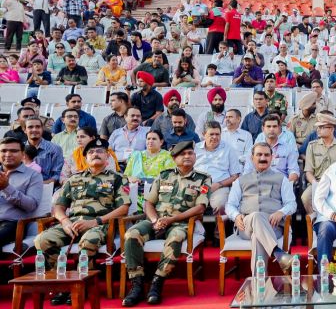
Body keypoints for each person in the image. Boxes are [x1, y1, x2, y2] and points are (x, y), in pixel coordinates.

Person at [36, 139, 130, 305]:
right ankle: (61, 284)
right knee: (42, 240)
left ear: (107, 157)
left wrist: (95, 222)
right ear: (86, 158)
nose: (95, 154)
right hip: (72, 223)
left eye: (100, 151)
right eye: (91, 152)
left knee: (88, 242)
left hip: (100, 224)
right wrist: (64, 221)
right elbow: (58, 207)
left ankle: (81, 285)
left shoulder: (117, 178)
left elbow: (124, 208)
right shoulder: (74, 179)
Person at [120, 141, 209, 306]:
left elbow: (200, 207)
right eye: (182, 154)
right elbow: (149, 203)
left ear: (195, 156)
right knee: (131, 234)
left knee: (176, 237)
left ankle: (157, 282)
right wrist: (155, 220)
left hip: (180, 223)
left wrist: (172, 220)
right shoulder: (163, 175)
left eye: (190, 153)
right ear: (174, 159)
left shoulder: (203, 179)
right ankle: (137, 284)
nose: (187, 156)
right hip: (156, 220)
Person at [225, 142, 295, 277]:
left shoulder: (282, 179)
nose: (263, 158)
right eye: (259, 155)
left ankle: (260, 283)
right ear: (252, 158)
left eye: (266, 155)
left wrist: (281, 212)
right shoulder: (240, 180)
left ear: (272, 158)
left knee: (257, 237)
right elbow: (230, 205)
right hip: (246, 225)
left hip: (273, 225)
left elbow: (291, 204)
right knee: (256, 216)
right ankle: (278, 253)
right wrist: (236, 216)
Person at [0, 137, 44, 248]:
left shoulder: (33, 175)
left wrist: (6, 187)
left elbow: (31, 205)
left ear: (23, 154)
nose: (8, 154)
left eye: (13, 151)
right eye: (3, 151)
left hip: (12, 224)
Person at [194, 121, 242, 213]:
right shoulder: (195, 149)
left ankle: (217, 223)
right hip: (197, 186)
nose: (215, 137)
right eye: (211, 134)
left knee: (221, 205)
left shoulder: (228, 149)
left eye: (217, 134)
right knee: (186, 203)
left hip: (219, 187)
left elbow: (235, 176)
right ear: (204, 134)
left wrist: (219, 184)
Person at [301, 114, 336, 214]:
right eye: (318, 127)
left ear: (332, 129)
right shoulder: (312, 146)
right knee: (305, 197)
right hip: (318, 182)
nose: (318, 130)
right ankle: (314, 220)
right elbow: (308, 171)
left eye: (322, 127)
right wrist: (315, 184)